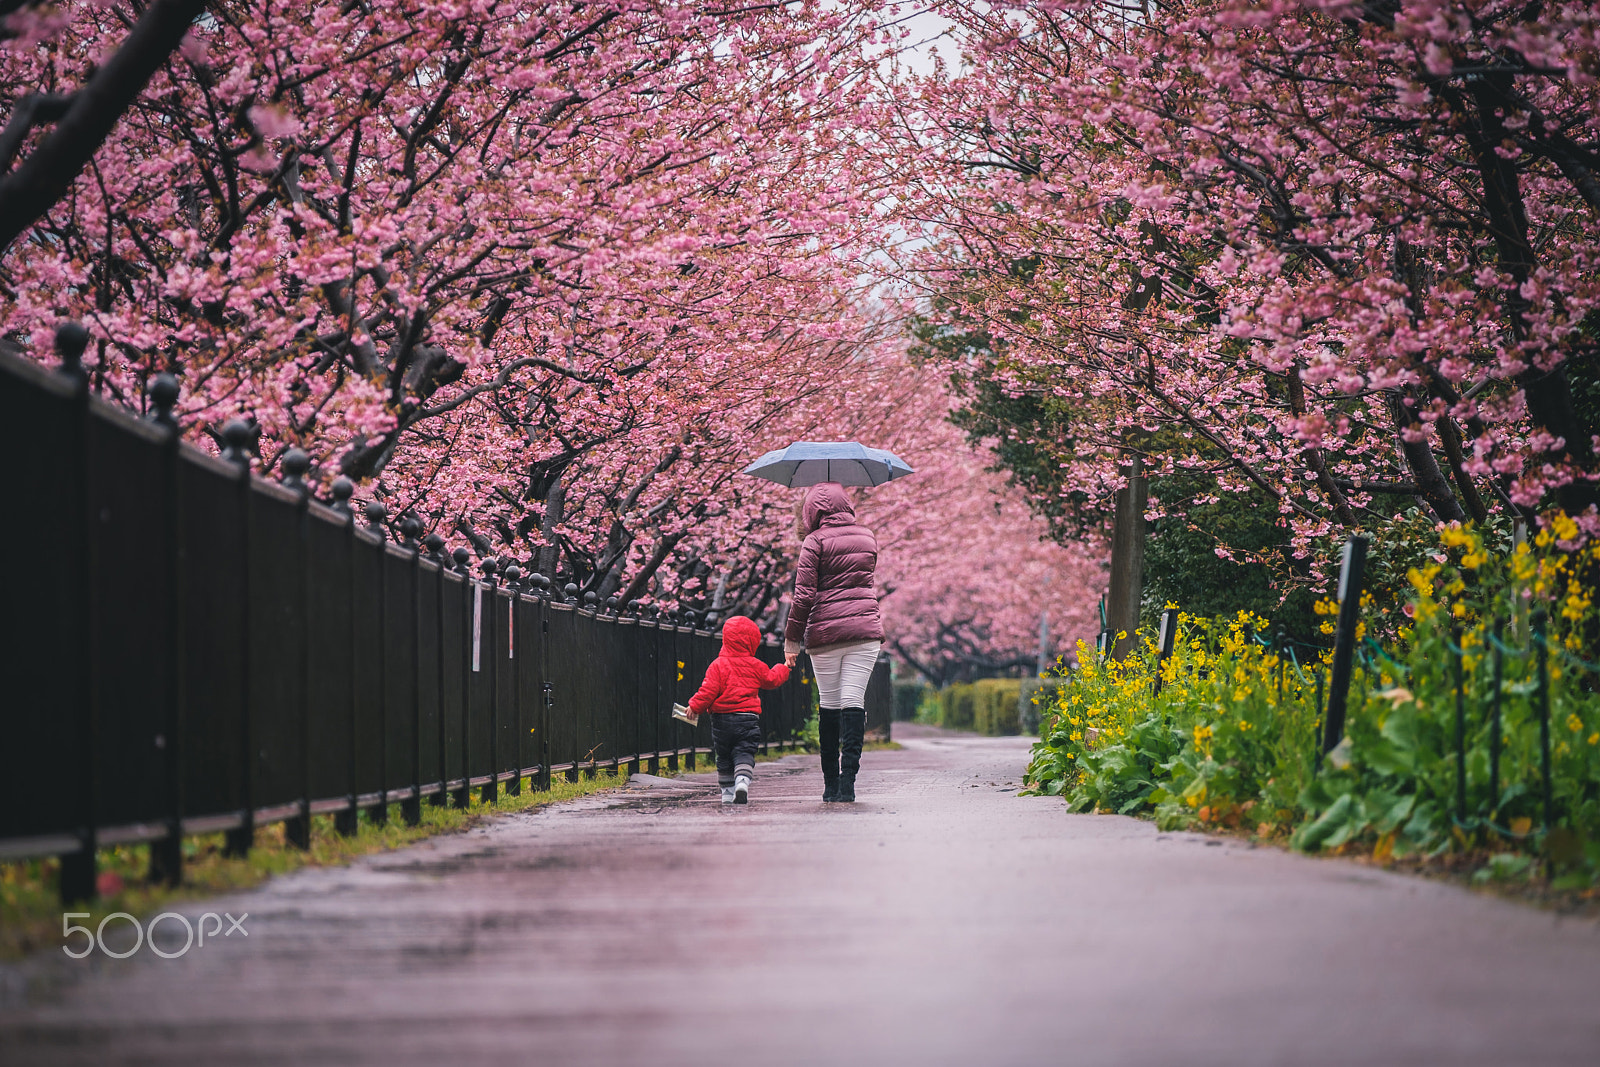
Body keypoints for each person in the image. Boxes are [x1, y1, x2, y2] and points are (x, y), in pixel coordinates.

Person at [784, 482, 884, 803]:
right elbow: (864, 580)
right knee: (854, 702)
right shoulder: (867, 536)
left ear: (812, 511)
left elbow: (804, 595)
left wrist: (792, 639)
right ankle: (849, 781)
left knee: (829, 704)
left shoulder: (814, 542)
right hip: (865, 630)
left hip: (825, 635)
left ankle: (830, 784)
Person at [688, 614, 791, 804]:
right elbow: (771, 679)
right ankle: (742, 781)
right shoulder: (755, 665)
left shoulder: (717, 665)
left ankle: (727, 793)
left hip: (721, 721)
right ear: (752, 641)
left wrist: (694, 706)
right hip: (747, 719)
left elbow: (708, 690)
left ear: (726, 639)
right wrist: (784, 667)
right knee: (744, 751)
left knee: (724, 755)